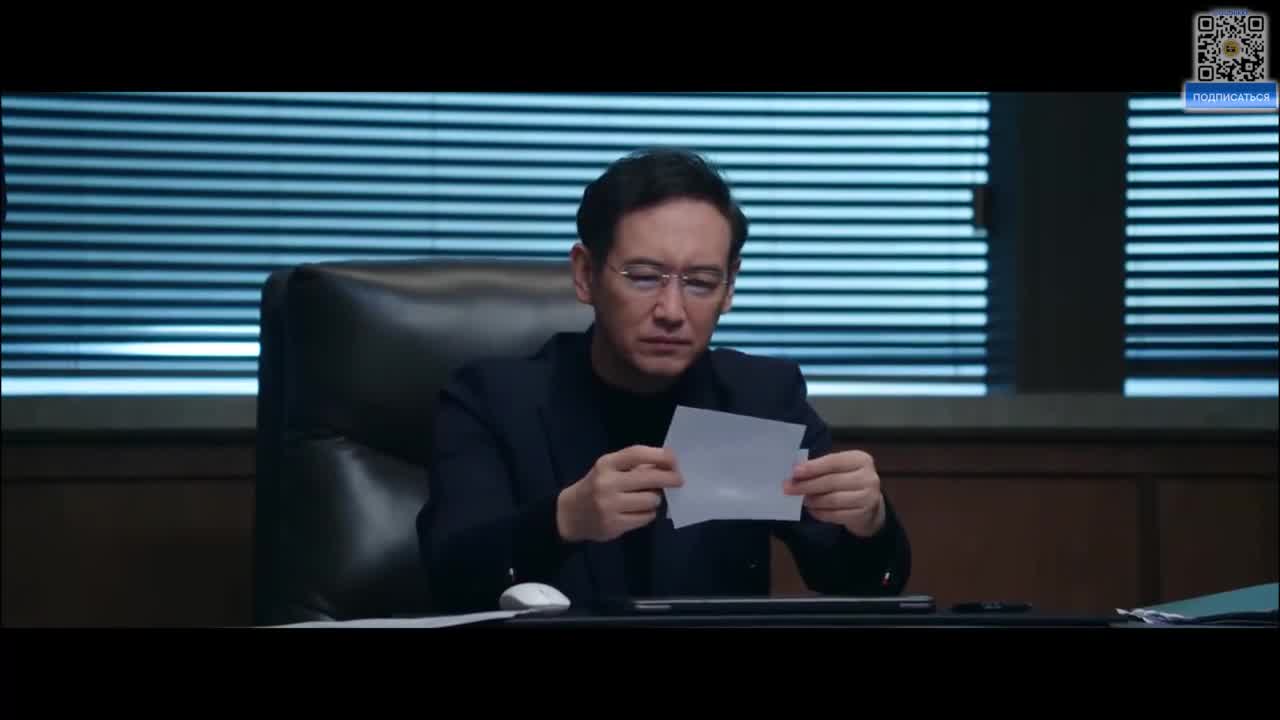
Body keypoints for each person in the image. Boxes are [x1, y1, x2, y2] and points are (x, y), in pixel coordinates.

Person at [417, 147, 911, 613]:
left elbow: (860, 583)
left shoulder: (759, 397)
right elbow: (449, 576)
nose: (672, 311)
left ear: (729, 288)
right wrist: (563, 519)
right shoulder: (492, 402)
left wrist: (868, 524)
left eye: (700, 282)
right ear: (586, 274)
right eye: (644, 276)